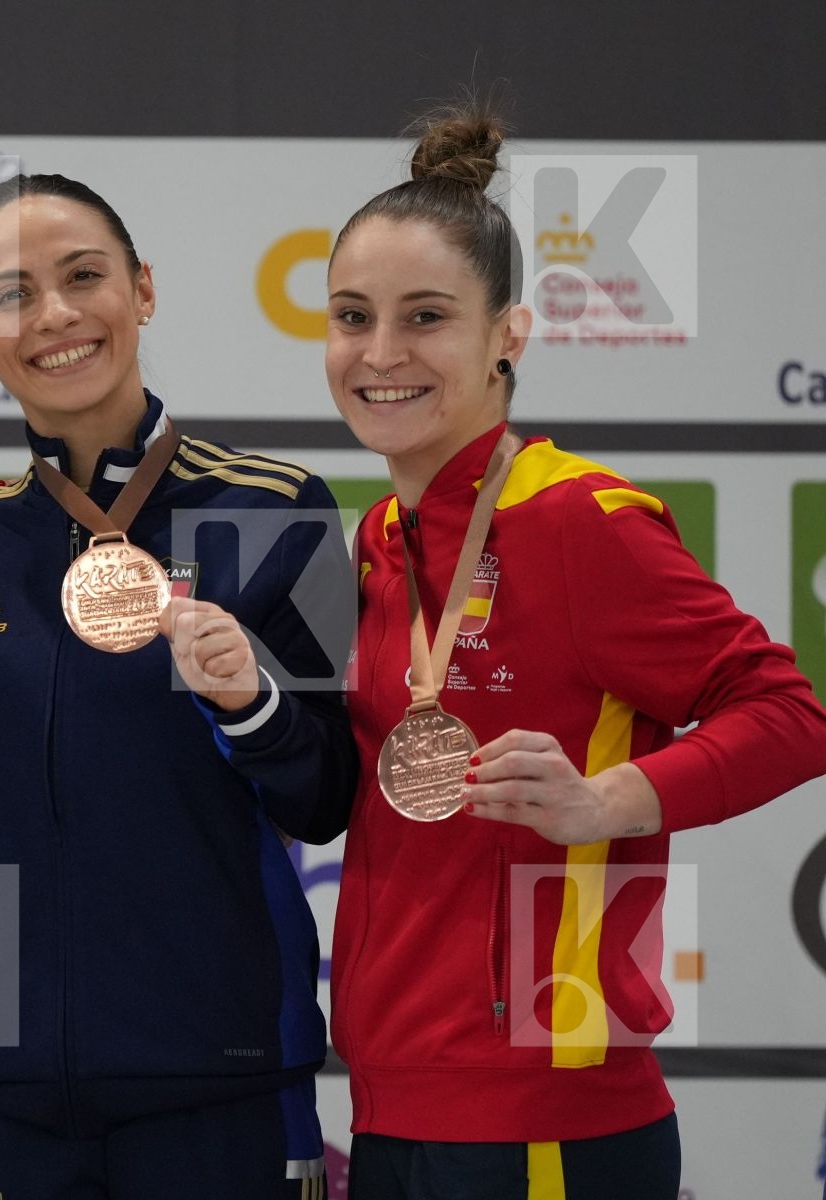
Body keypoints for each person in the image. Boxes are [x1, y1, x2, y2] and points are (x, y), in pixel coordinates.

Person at [324, 104, 826, 1198]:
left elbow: (790, 714)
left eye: (426, 317)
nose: (380, 354)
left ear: (510, 332)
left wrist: (612, 800)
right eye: (352, 316)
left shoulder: (577, 521)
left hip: (546, 1118)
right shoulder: (383, 540)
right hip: (391, 1105)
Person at [0, 173, 358, 1199]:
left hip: (216, 1067)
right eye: (15, 294)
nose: (59, 315)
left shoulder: (279, 506)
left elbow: (330, 791)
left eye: (86, 277)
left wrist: (252, 702)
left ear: (145, 289)